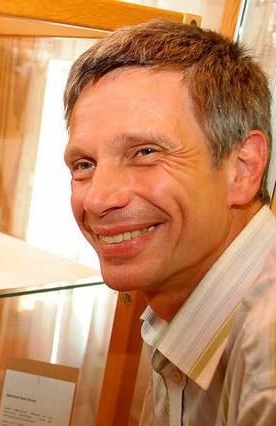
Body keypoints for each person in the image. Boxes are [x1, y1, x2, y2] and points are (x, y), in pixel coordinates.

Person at [63, 19, 276, 424]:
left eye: (145, 152)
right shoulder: (180, 301)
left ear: (242, 169)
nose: (98, 199)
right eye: (84, 164)